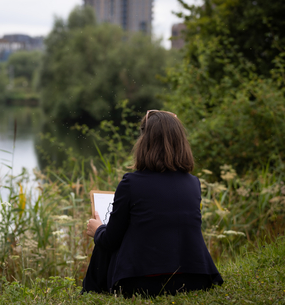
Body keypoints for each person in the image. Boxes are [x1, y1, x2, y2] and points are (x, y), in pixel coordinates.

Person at [82, 110, 223, 298]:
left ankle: (89, 293)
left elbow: (111, 240)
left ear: (144, 142)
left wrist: (98, 229)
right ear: (181, 142)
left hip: (143, 283)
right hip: (195, 279)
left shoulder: (131, 183)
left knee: (104, 239)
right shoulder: (193, 183)